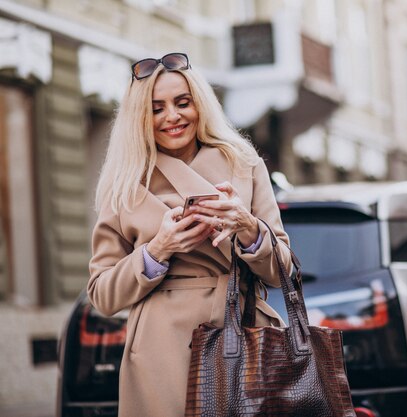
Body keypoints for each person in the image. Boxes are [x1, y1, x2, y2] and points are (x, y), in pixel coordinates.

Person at [88, 52, 291, 417]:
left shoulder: (244, 164)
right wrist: (158, 250)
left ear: (200, 105)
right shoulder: (123, 184)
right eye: (157, 108)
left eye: (183, 103)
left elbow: (282, 272)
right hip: (162, 350)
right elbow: (102, 295)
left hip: (243, 336)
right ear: (140, 118)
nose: (173, 117)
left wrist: (247, 227)